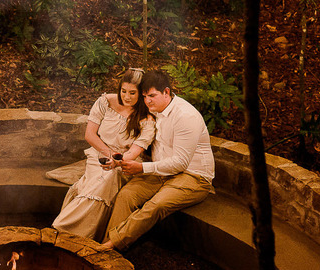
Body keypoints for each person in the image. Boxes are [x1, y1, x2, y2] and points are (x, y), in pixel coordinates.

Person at [100, 68, 214, 252]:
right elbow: (121, 98)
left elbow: (180, 163)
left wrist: (142, 168)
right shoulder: (155, 109)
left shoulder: (185, 116)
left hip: (193, 177)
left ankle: (109, 247)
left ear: (166, 92)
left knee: (155, 205)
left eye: (152, 95)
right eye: (144, 96)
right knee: (126, 196)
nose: (147, 101)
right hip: (163, 172)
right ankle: (109, 252)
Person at [51, 69, 156, 241]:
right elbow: (90, 135)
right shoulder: (105, 102)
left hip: (124, 162)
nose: (127, 97)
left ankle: (66, 229)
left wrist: (117, 161)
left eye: (132, 93)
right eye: (123, 91)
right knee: (101, 178)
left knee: (109, 177)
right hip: (98, 153)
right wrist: (109, 153)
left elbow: (134, 151)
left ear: (142, 93)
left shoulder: (147, 119)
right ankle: (69, 231)